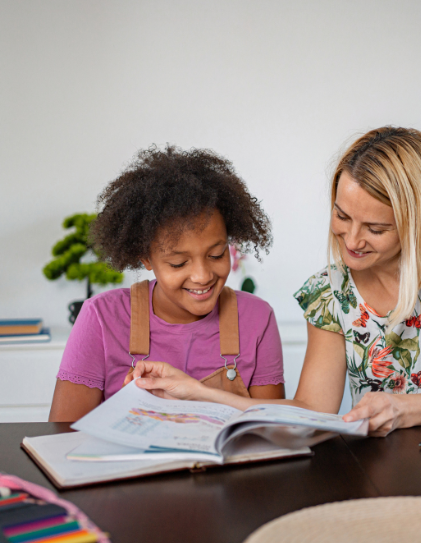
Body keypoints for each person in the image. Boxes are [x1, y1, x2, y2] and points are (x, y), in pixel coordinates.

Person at [127, 127, 421, 436]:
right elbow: (309, 415)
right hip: (386, 475)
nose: (353, 240)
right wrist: (194, 392)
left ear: (417, 222)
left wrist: (406, 409)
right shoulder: (330, 293)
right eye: (342, 216)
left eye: (375, 228)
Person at [48, 146, 285, 422]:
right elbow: (63, 438)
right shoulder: (101, 318)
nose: (202, 276)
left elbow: (274, 432)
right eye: (178, 263)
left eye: (216, 254)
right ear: (146, 257)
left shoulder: (257, 318)